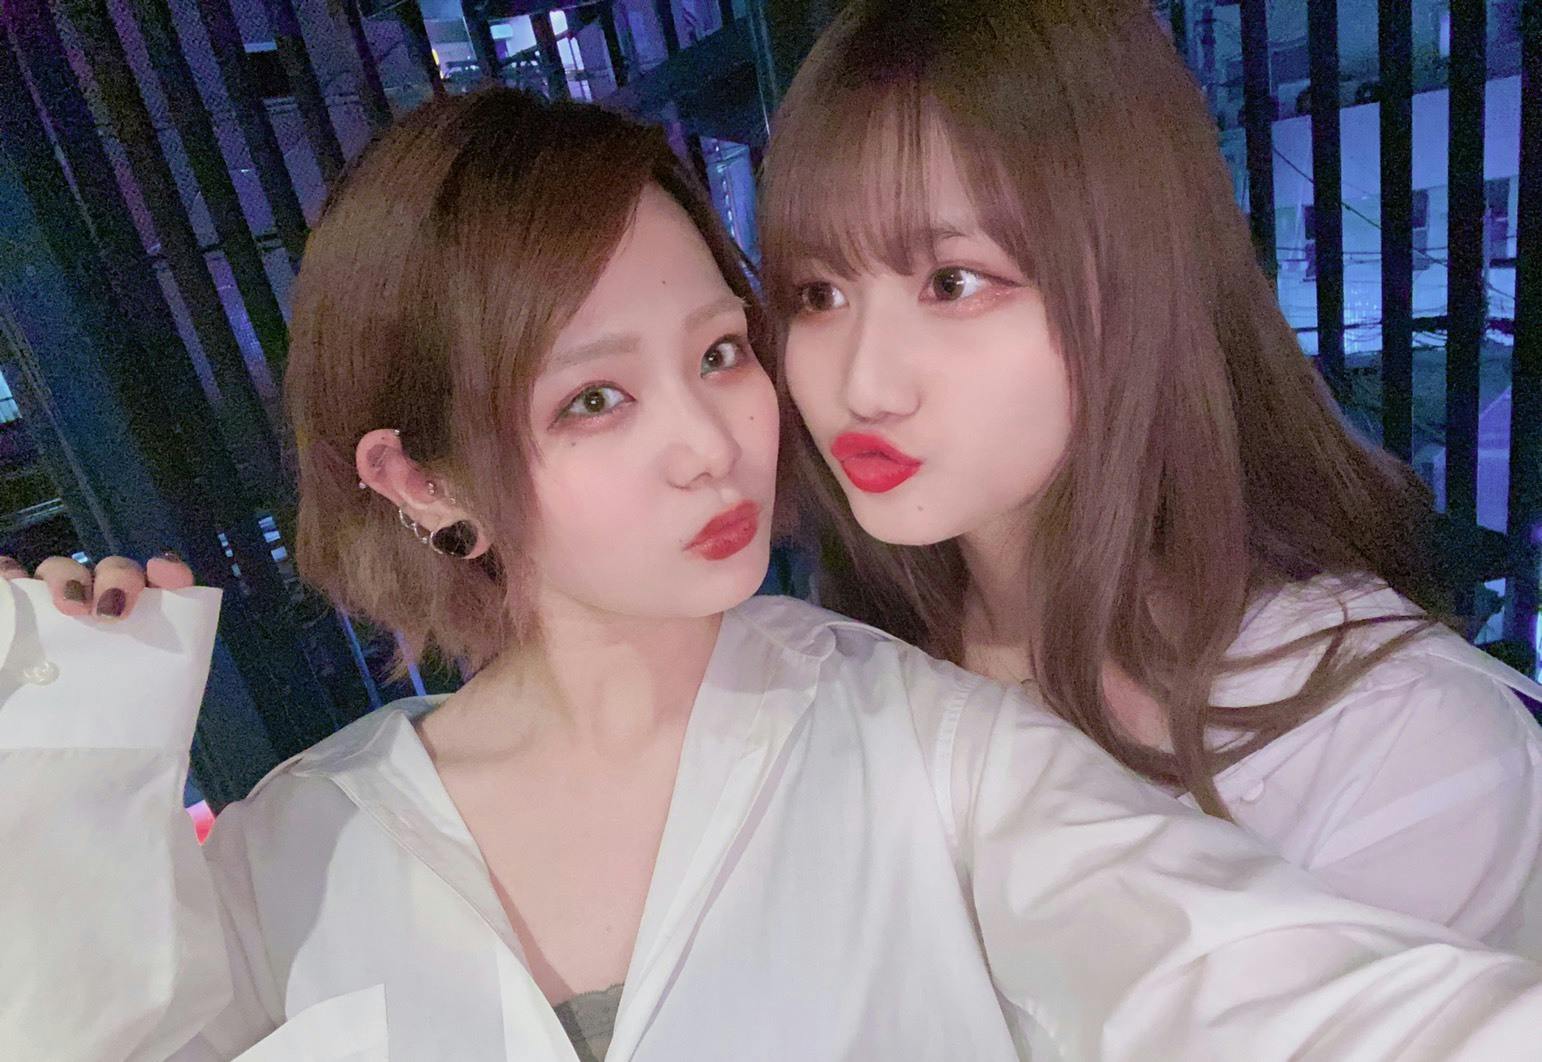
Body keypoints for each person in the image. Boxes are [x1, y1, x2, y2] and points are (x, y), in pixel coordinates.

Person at [9, 88, 1542, 1062]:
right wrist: (66, 775)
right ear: (424, 481)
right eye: (593, 399)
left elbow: (1268, 985)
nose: (709, 443)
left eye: (719, 352)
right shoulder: (300, 844)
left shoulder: (930, 748)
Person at [761, 0, 1542, 955]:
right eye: (818, 294)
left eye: (952, 282)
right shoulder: (853, 657)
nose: (861, 386)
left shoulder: (1394, 750)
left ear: (1139, 280)